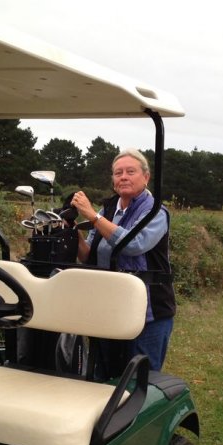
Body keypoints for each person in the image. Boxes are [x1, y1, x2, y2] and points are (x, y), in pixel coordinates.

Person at [70, 148, 175, 375]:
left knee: (140, 378)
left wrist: (93, 217)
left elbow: (135, 244)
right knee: (104, 372)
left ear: (146, 177)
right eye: (118, 173)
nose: (123, 177)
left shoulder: (156, 212)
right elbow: (88, 255)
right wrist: (72, 231)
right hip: (110, 306)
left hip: (148, 311)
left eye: (130, 172)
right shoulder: (107, 210)